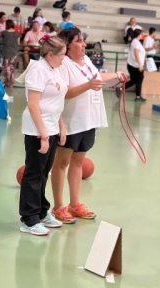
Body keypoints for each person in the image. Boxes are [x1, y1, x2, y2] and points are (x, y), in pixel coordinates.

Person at [51, 27, 127, 224]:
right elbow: (64, 93)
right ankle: (58, 206)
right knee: (62, 163)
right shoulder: (63, 64)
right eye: (78, 41)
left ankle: (75, 204)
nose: (84, 44)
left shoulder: (86, 61)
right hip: (71, 120)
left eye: (83, 41)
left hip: (89, 120)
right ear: (67, 46)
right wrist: (88, 86)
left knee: (78, 162)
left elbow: (96, 78)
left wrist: (117, 75)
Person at [19, 35, 67, 236]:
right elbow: (33, 104)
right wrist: (44, 134)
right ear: (49, 54)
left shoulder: (54, 70)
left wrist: (61, 127)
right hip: (38, 130)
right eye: (61, 55)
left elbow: (56, 102)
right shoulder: (38, 70)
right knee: (34, 173)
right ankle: (29, 219)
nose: (64, 59)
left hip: (52, 128)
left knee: (43, 173)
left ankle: (41, 211)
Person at [125, 28, 146, 101]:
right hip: (135, 65)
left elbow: (138, 54)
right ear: (139, 35)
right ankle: (138, 96)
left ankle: (122, 88)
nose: (142, 35)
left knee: (134, 80)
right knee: (139, 80)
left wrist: (143, 59)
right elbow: (136, 54)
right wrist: (140, 64)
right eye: (141, 34)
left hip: (132, 64)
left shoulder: (134, 42)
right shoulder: (136, 43)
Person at [1, 19, 20, 87]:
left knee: (6, 66)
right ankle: (11, 81)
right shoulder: (17, 33)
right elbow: (18, 43)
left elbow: (2, 41)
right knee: (11, 67)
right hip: (14, 52)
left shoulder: (4, 32)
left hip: (6, 52)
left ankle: (7, 80)